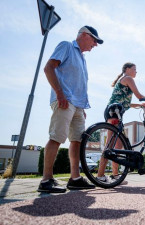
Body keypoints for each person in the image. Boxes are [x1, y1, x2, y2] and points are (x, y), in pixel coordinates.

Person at [37, 26, 103, 193]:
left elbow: (79, 83)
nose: (95, 44)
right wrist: (59, 94)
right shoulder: (66, 46)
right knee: (57, 137)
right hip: (64, 101)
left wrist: (82, 105)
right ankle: (46, 179)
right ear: (84, 35)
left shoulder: (82, 58)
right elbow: (48, 68)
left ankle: (75, 178)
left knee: (77, 141)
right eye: (94, 40)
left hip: (78, 105)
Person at [97, 62, 145, 184]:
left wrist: (141, 105)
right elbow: (138, 95)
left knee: (118, 146)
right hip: (114, 112)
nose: (136, 71)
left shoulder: (124, 80)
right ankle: (100, 176)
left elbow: (127, 103)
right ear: (127, 69)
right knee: (110, 146)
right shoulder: (128, 78)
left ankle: (115, 175)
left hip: (114, 111)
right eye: (134, 69)